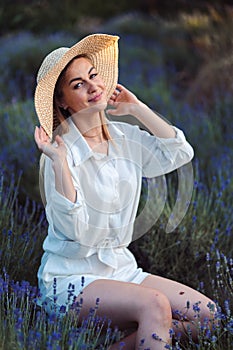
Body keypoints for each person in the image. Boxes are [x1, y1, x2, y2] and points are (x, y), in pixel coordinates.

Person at [34, 34, 216, 349]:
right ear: (61, 100)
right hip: (72, 280)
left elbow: (179, 153)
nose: (93, 87)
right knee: (154, 306)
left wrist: (138, 109)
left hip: (121, 269)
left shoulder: (125, 137)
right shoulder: (59, 153)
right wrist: (60, 164)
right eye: (78, 85)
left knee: (208, 315)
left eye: (93, 76)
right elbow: (75, 233)